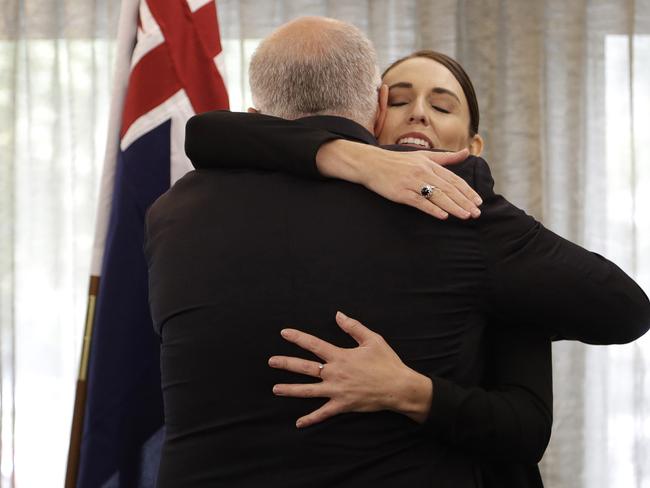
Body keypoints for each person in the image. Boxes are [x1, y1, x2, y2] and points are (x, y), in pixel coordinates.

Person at [146, 17, 650, 488]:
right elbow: (215, 134)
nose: (419, 115)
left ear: (473, 147)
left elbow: (526, 429)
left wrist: (411, 390)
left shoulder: (174, 210)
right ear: (378, 111)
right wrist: (348, 155)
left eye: (443, 105)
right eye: (404, 100)